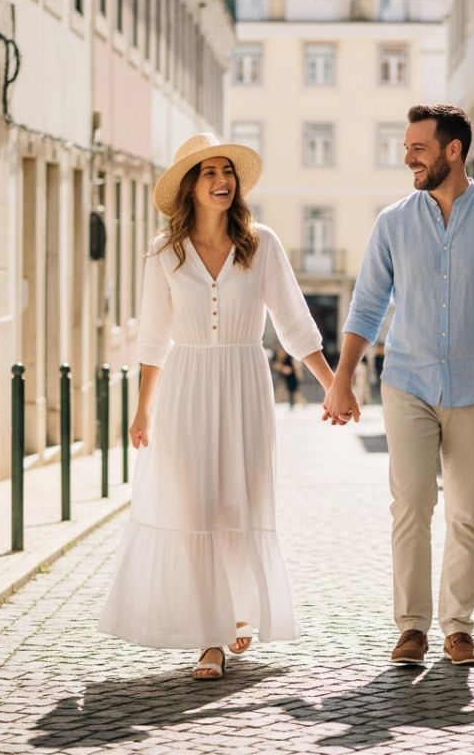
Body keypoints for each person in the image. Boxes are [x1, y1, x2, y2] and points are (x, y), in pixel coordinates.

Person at [98, 133, 335, 681]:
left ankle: (239, 614)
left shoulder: (262, 244)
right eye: (209, 172)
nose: (221, 180)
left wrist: (330, 383)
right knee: (195, 509)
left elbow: (294, 322)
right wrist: (143, 410)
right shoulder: (164, 252)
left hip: (245, 384)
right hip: (186, 385)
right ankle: (211, 636)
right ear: (190, 185)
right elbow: (154, 336)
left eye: (227, 171)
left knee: (238, 507)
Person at [323, 104, 474, 668]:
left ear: (453, 150)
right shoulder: (393, 222)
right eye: (406, 148)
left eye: (418, 148)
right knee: (412, 504)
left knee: (468, 512)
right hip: (407, 383)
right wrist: (342, 380)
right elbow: (368, 304)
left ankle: (458, 627)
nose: (408, 159)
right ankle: (413, 628)